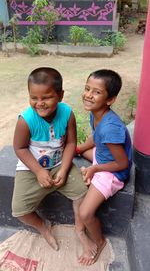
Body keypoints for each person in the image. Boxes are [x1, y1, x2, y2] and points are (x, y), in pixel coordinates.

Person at [12, 67, 96, 256]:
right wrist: (39, 172)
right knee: (19, 211)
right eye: (34, 97)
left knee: (83, 194)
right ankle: (43, 227)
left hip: (59, 163)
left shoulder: (67, 114)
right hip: (31, 168)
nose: (39, 103)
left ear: (60, 95)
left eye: (46, 97)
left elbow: (71, 143)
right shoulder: (25, 120)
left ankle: (80, 230)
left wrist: (64, 170)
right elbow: (20, 148)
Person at [76, 69, 132, 266]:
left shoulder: (111, 127)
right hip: (102, 158)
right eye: (87, 88)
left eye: (97, 92)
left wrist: (94, 170)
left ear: (110, 99)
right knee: (81, 152)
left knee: (84, 213)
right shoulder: (96, 113)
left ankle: (99, 241)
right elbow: (96, 138)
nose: (89, 95)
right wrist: (80, 148)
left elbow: (123, 163)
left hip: (113, 172)